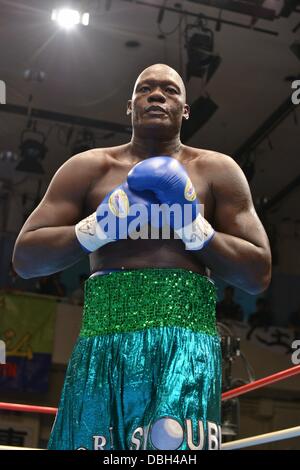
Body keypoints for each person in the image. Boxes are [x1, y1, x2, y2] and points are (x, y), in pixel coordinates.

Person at [12, 63, 272, 450]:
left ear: (185, 109)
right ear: (129, 105)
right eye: (145, 88)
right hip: (103, 342)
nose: (156, 95)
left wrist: (194, 229)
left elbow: (258, 274)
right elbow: (26, 259)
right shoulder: (89, 168)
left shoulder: (218, 171)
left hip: (186, 348)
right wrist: (98, 227)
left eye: (169, 90)